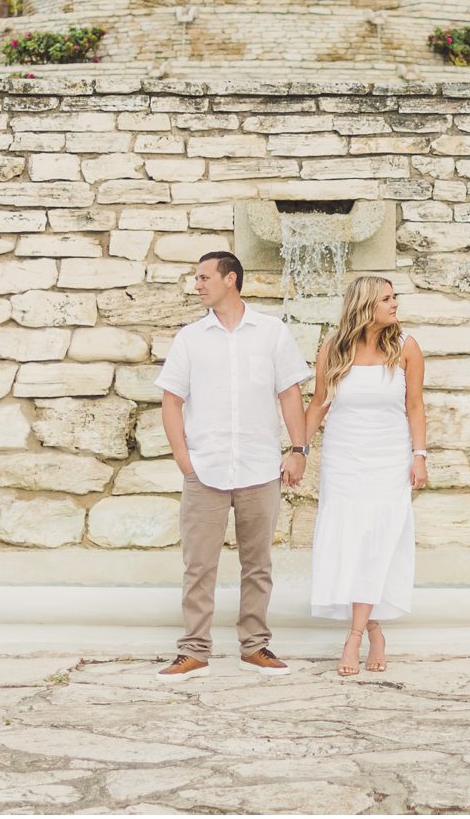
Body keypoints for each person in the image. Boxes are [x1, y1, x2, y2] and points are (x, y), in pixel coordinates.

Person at [153, 251, 311, 677]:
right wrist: (184, 458)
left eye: (205, 277)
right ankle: (194, 650)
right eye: (197, 277)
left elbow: (290, 394)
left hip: (260, 467)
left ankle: (255, 646)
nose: (198, 284)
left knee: (258, 564)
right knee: (199, 564)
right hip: (205, 468)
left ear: (231, 279)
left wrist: (298, 450)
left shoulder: (272, 333)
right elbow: (171, 400)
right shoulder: (190, 338)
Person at [304, 275, 427, 677]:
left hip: (388, 461)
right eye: (387, 299)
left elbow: (414, 406)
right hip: (344, 461)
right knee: (349, 542)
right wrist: (298, 451)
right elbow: (319, 404)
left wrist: (419, 455)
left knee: (378, 543)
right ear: (366, 305)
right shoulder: (333, 348)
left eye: (395, 297)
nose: (395, 304)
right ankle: (373, 629)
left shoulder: (406, 347)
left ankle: (354, 637)